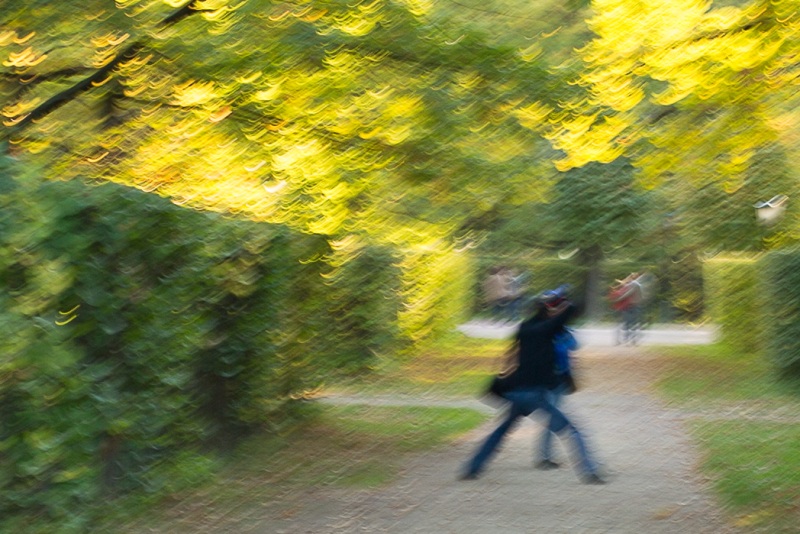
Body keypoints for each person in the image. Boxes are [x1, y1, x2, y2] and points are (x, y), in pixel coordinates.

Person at [461, 286, 604, 483]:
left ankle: (473, 468)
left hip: (517, 391)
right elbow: (572, 310)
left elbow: (511, 354)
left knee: (501, 431)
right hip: (535, 394)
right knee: (572, 431)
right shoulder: (548, 329)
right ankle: (590, 471)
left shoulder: (524, 327)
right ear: (548, 310)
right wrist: (564, 301)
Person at [608, 273, 644, 345]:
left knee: (626, 324)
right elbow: (635, 295)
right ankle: (628, 340)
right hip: (626, 307)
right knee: (630, 324)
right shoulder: (631, 286)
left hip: (625, 307)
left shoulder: (628, 286)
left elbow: (626, 294)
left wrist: (617, 299)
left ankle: (624, 340)